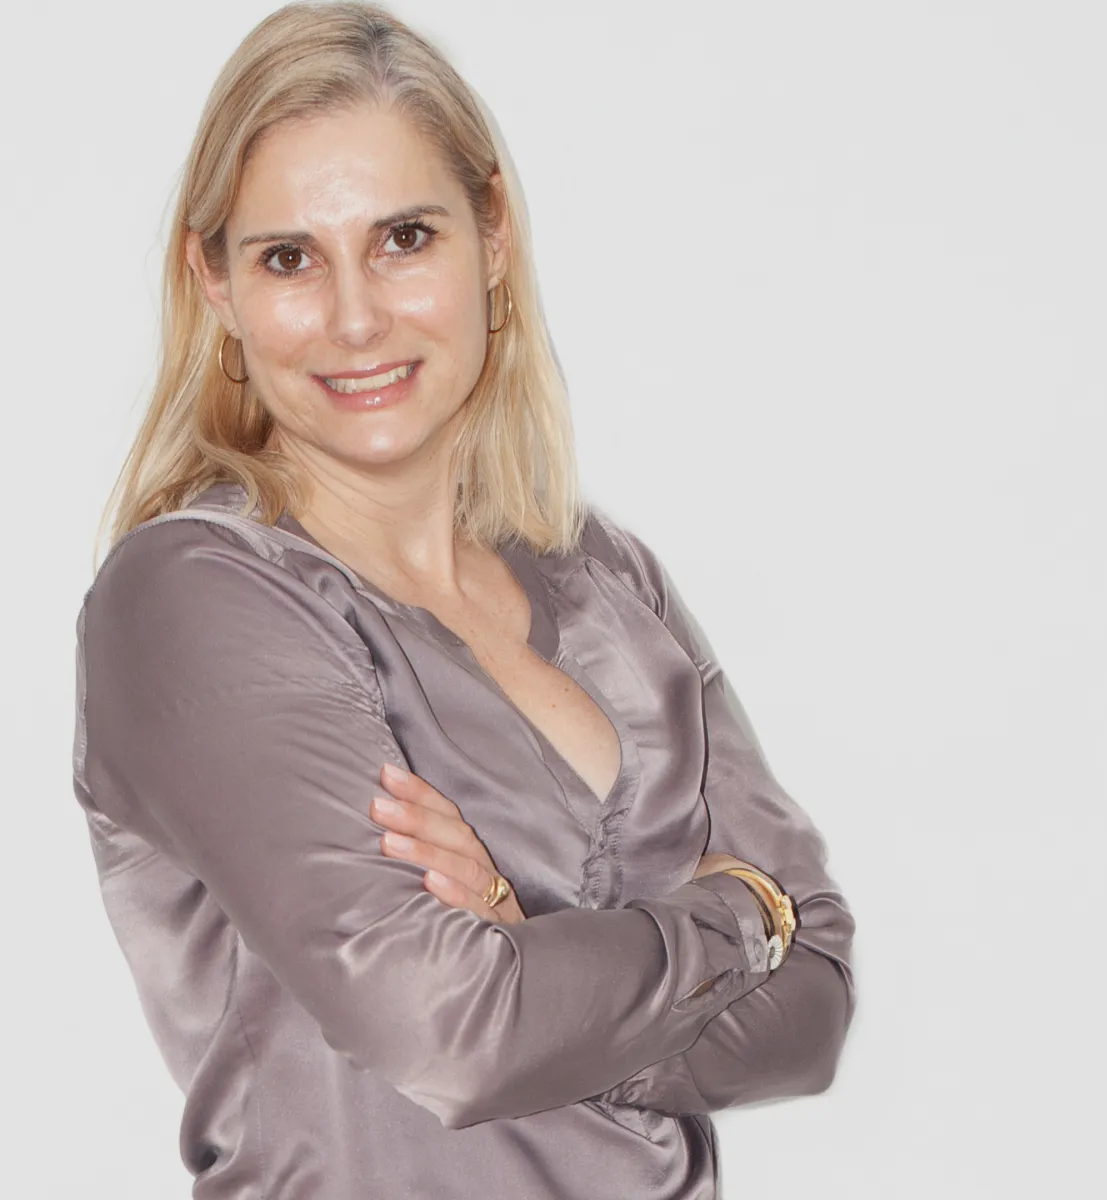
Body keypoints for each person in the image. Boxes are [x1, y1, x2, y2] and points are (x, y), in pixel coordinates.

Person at [71, 3, 856, 1196]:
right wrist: (740, 915)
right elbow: (453, 1032)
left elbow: (817, 1009)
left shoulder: (609, 578)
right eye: (288, 258)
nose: (355, 317)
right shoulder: (197, 598)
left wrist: (530, 949)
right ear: (214, 282)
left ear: (491, 236)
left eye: (403, 238)